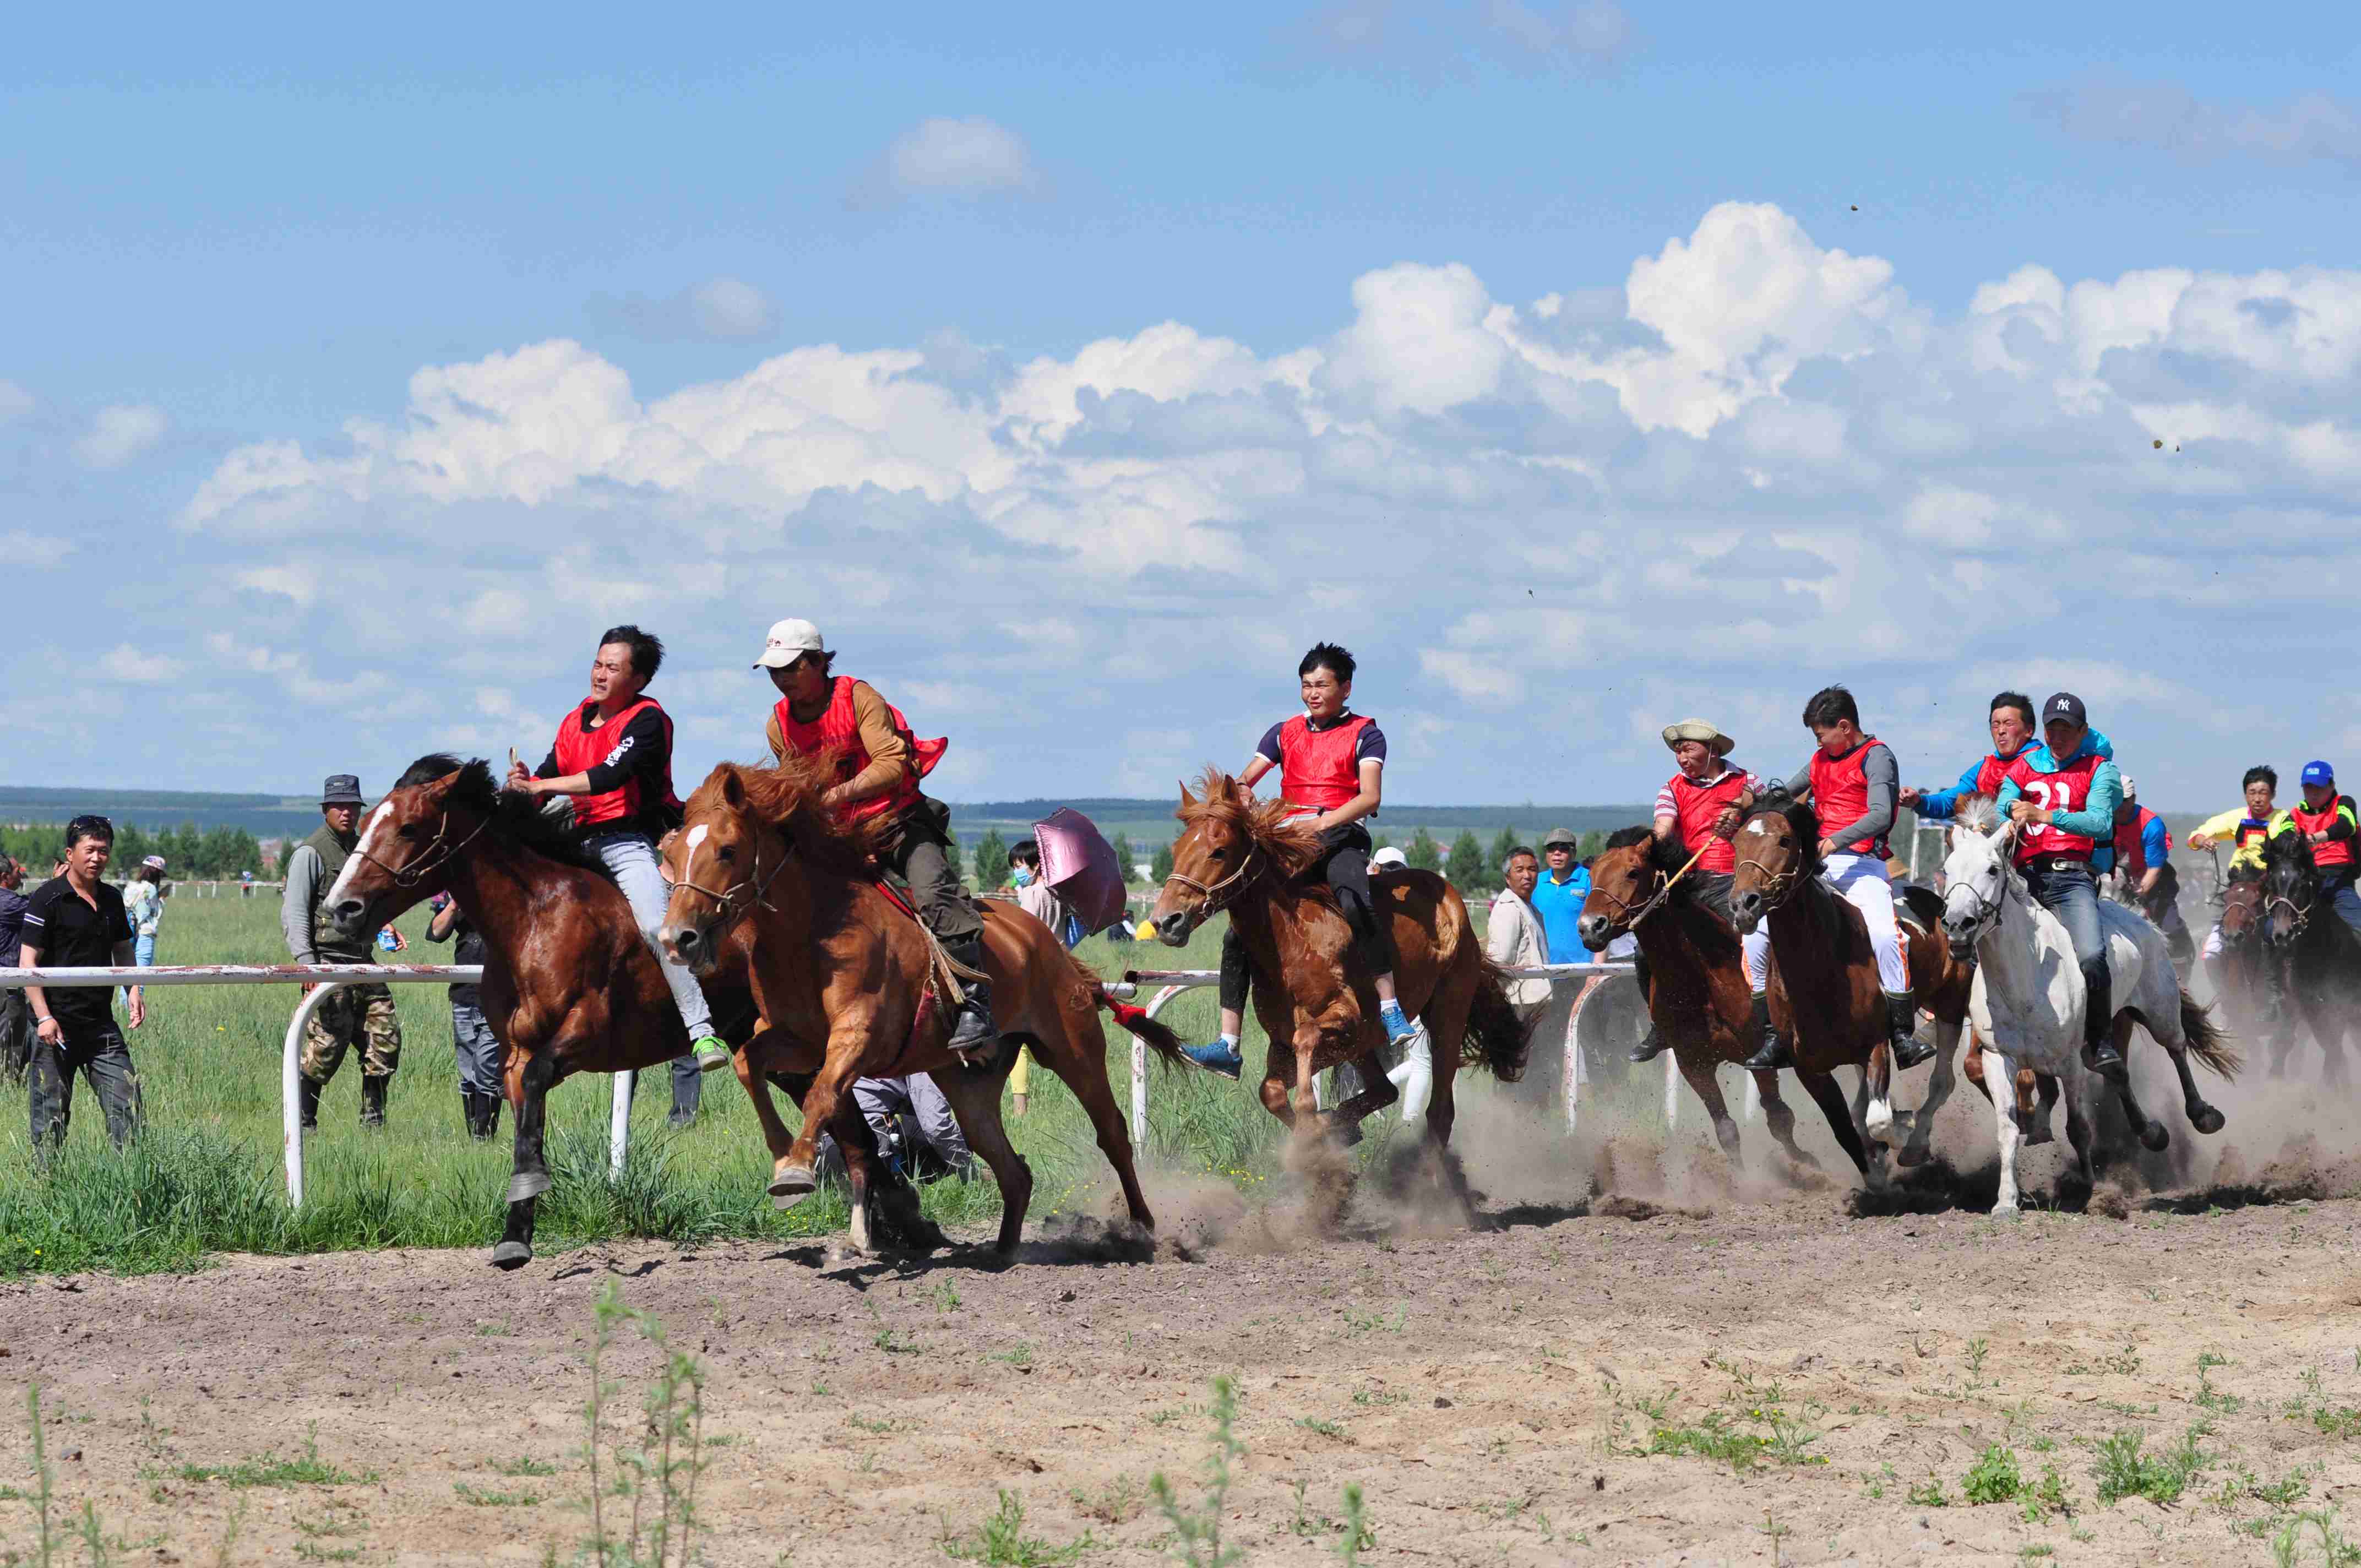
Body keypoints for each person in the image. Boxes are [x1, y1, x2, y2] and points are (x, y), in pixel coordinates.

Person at [510, 624, 725, 1126]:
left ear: (640, 678)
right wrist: (524, 787)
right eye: (598, 663)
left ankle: (701, 1030)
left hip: (632, 838)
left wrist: (543, 784)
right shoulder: (574, 720)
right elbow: (547, 777)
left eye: (613, 667)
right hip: (578, 835)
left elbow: (606, 778)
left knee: (657, 926)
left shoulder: (649, 721)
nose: (600, 674)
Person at [755, 618, 995, 1055]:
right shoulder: (778, 723)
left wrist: (834, 795)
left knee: (934, 894)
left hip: (897, 822)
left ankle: (974, 1006)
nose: (781, 679)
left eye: (790, 668)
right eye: (774, 671)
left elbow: (891, 765)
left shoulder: (858, 697)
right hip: (839, 836)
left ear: (817, 662)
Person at [1179, 642, 1417, 1079]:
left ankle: (1389, 1007)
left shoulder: (1367, 733)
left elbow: (1370, 796)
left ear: (1345, 688)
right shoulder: (1283, 732)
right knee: (1238, 932)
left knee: (1354, 899)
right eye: (1306, 686)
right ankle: (1228, 1044)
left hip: (1343, 837)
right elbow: (1246, 777)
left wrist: (1321, 823)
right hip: (1290, 844)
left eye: (1322, 685)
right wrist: (1243, 791)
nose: (1312, 693)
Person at [1745, 687, 1929, 1072]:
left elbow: (1881, 815)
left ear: (1844, 727)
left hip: (1862, 865)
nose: (1818, 741)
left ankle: (1901, 1034)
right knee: (1757, 935)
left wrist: (1834, 840)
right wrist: (1742, 803)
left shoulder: (1877, 757)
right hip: (1817, 867)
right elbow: (1780, 795)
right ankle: (1773, 1035)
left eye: (1820, 734)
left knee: (1885, 935)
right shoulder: (1819, 759)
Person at [1995, 691, 2128, 1077]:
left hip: (2072, 880)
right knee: (1977, 935)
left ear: (2082, 731)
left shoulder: (2099, 769)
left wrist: (2044, 814)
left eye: (2066, 729)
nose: (2057, 736)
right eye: (2052, 728)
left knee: (2090, 954)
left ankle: (2101, 1039)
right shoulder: (2026, 764)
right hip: (2025, 878)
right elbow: (2004, 796)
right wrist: (2012, 808)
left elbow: (2101, 823)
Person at [1633, 718, 1765, 1064]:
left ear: (1713, 750)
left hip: (1738, 882)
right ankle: (1661, 1024)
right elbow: (1663, 829)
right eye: (1677, 751)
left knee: (1758, 942)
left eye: (1688, 749)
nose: (1681, 757)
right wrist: (1646, 849)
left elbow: (1771, 813)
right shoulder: (1672, 788)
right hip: (1689, 886)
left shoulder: (1748, 781)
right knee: (1645, 952)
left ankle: (1773, 1020)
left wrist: (1742, 807)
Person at [282, 776, 404, 1129]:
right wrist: (309, 967)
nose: (346, 812)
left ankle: (373, 1121)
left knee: (385, 1040)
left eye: (352, 805)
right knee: (326, 1047)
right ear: (325, 810)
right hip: (327, 962)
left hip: (364, 962)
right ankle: (304, 1123)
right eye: (339, 805)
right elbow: (295, 912)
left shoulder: (362, 848)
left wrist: (383, 925)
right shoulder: (311, 852)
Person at [21, 816, 145, 1150]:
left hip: (99, 1023)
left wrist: (133, 988)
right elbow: (27, 964)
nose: (97, 858)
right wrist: (44, 1018)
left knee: (128, 1102)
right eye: (89, 850)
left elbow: (122, 948)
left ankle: (133, 1181)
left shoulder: (112, 899)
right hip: (54, 1026)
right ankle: (50, 1187)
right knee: (50, 1116)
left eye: (103, 851)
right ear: (70, 853)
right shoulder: (47, 900)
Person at [424, 894, 503, 1139]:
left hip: (497, 997)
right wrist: (455, 904)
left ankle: (484, 1139)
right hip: (463, 996)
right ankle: (476, 1140)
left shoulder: (505, 891)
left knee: (488, 1070)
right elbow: (436, 934)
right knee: (468, 1073)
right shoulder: (456, 895)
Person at [2110, 777, 2194, 964]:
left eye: (2125, 801)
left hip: (2154, 881)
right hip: (2117, 879)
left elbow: (2154, 869)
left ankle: (2181, 962)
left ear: (2134, 799)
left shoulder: (2151, 825)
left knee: (2169, 928)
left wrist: (2138, 894)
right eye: (2115, 800)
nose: (2120, 806)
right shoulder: (2104, 819)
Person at [2273, 761, 2361, 935]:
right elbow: (2283, 836)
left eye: (2319, 787)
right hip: (2304, 885)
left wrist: (2315, 838)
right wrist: (2292, 841)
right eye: (2308, 787)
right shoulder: (2295, 813)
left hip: (2339, 883)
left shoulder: (2343, 803)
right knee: (2271, 930)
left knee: (2359, 927)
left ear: (2332, 786)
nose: (2313, 793)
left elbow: (2347, 825)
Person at [1527, 827, 1591, 965]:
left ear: (1574, 853)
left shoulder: (1590, 880)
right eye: (1551, 848)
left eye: (1564, 848)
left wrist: (1598, 968)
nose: (1557, 853)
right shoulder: (1536, 882)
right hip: (1544, 968)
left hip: (1583, 968)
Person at [0, 859, 30, 1082]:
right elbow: (41, 908)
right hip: (7, 983)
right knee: (11, 1038)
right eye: (17, 872)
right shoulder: (8, 903)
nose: (20, 876)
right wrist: (59, 882)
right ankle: (8, 1083)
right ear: (4, 876)